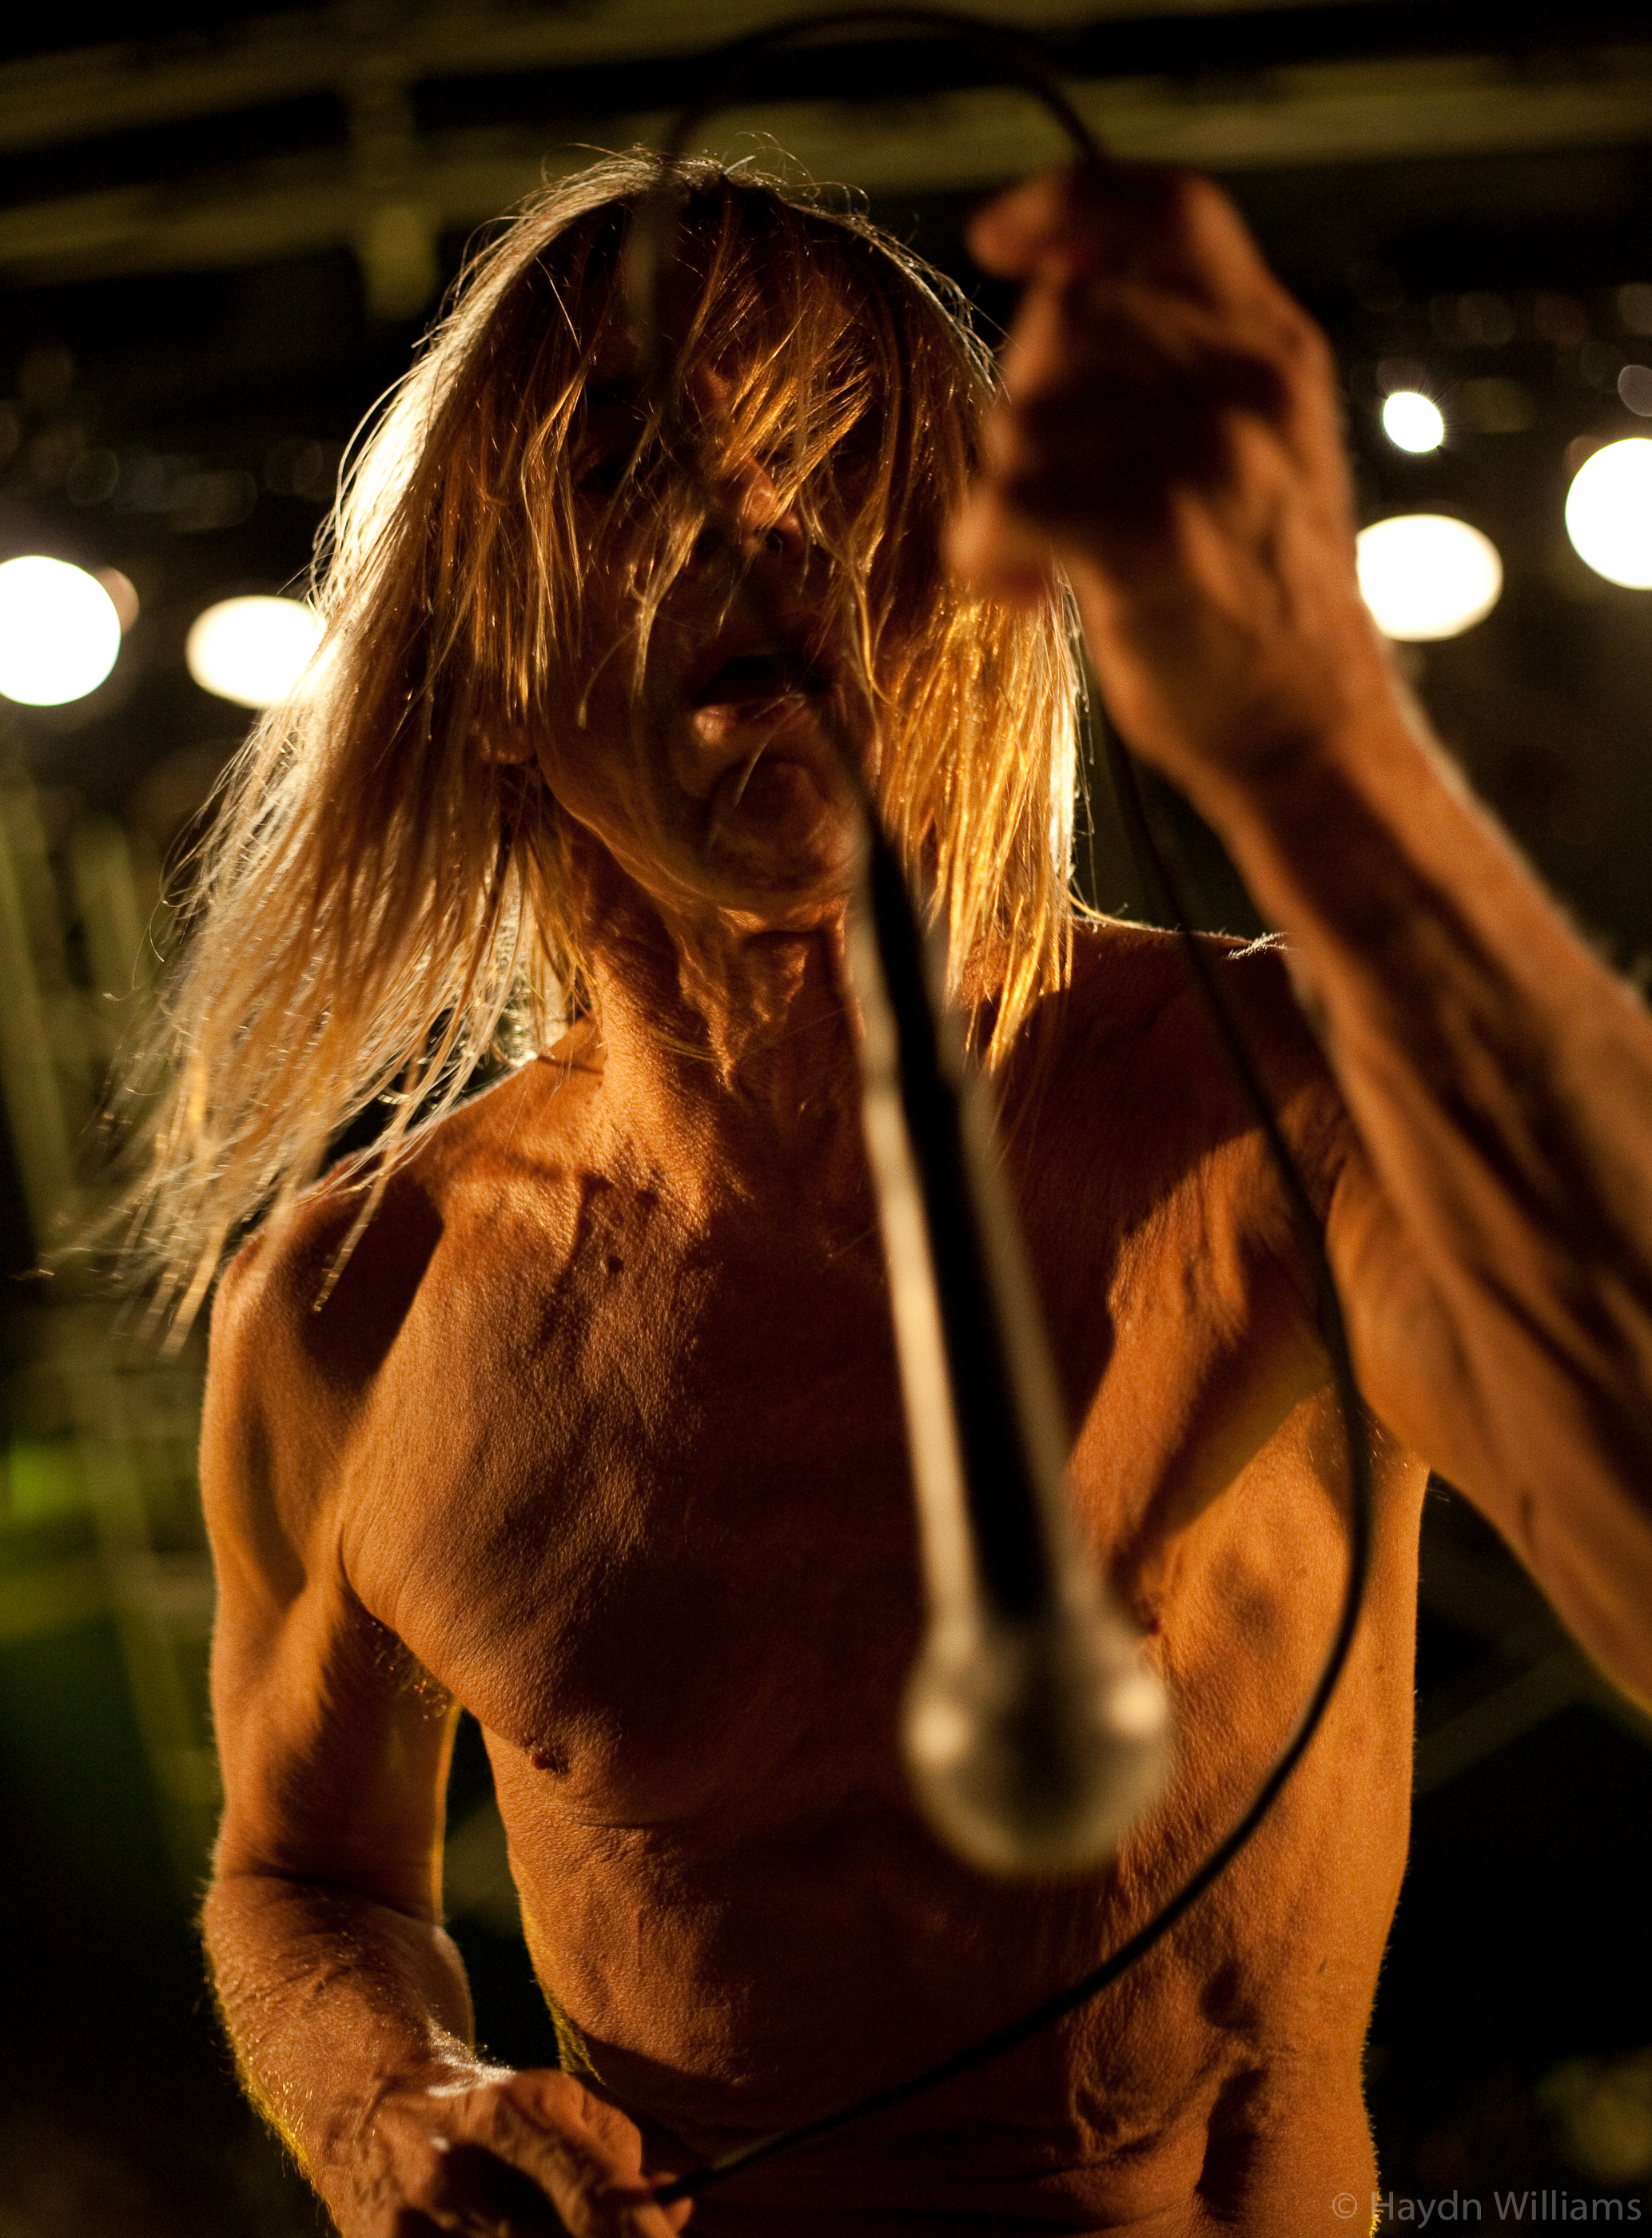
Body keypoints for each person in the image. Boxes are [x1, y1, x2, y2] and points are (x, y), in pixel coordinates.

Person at [154, 148, 1652, 2238]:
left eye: (850, 464)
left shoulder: (1271, 1102)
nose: (767, 525)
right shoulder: (347, 1304)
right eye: (630, 471)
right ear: (480, 676)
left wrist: (1328, 747)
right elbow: (294, 1876)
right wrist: (385, 2103)